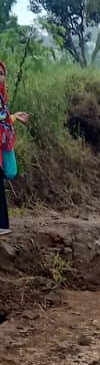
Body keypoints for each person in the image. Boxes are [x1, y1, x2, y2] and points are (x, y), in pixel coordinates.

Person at [0, 62, 29, 236]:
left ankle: (2, 225)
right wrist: (11, 117)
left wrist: (14, 116)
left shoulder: (2, 98)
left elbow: (3, 117)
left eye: (1, 73)